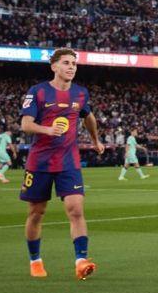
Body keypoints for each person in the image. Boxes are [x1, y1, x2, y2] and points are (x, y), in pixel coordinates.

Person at [19, 48, 106, 280]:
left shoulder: (80, 94)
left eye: (74, 64)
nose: (71, 67)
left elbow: (88, 117)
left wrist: (96, 140)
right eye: (66, 63)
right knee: (37, 212)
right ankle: (35, 260)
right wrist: (47, 129)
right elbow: (26, 124)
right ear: (54, 66)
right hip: (40, 162)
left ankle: (81, 261)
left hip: (69, 160)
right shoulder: (37, 92)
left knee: (76, 210)